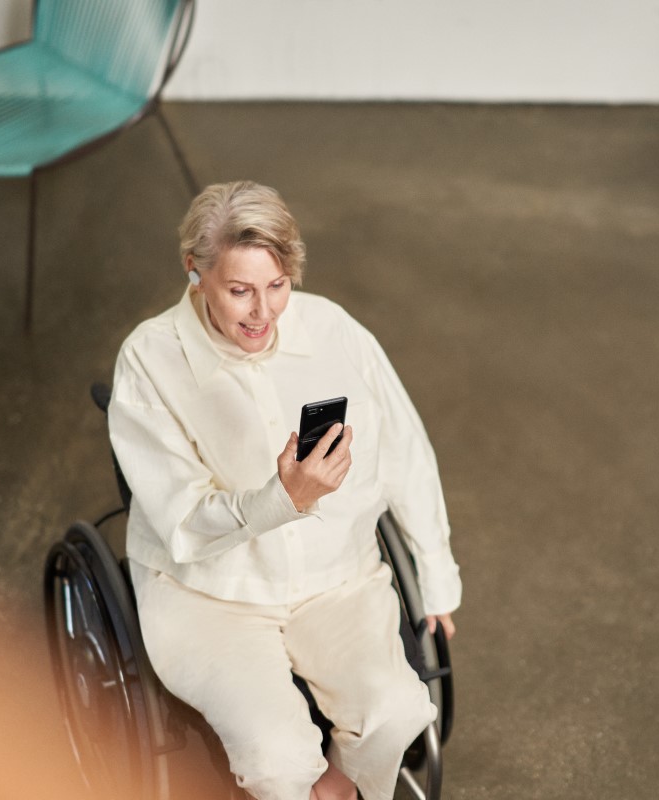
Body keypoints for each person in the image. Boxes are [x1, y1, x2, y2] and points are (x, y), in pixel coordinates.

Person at [108, 181, 462, 800]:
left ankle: (339, 788)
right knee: (276, 764)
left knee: (399, 714)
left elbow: (404, 446)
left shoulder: (332, 328)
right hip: (211, 598)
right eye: (239, 290)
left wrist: (434, 570)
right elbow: (184, 523)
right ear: (195, 272)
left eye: (277, 286)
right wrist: (285, 497)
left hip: (335, 580)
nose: (262, 312)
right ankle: (312, 781)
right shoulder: (149, 358)